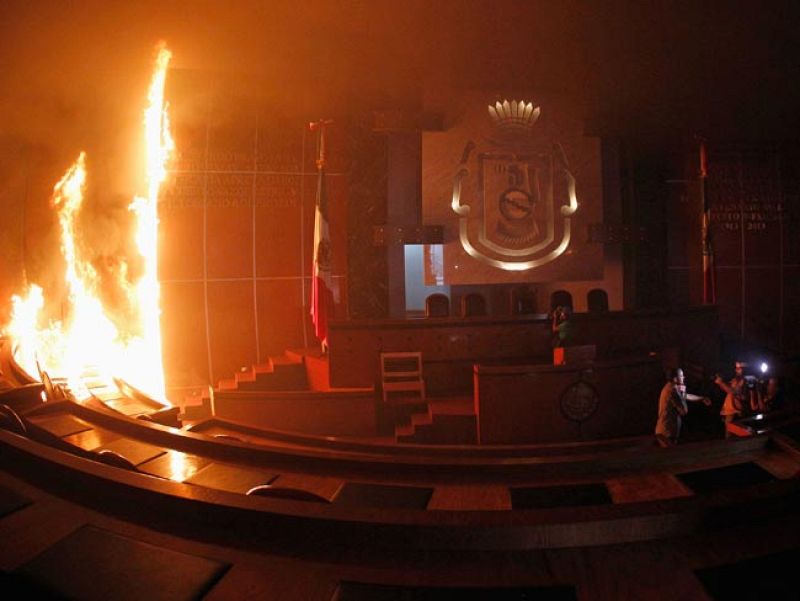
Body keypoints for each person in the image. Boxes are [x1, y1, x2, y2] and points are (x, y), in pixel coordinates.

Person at [656, 367, 711, 445]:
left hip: (666, 430)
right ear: (675, 379)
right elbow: (684, 411)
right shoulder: (672, 391)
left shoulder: (671, 387)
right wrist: (682, 393)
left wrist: (702, 398)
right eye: (681, 376)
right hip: (667, 432)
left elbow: (686, 396)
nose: (684, 377)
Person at [714, 361, 747, 437]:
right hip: (730, 411)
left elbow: (734, 392)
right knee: (728, 434)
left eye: (739, 368)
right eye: (736, 368)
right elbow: (727, 389)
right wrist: (720, 381)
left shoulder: (743, 380)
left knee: (731, 436)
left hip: (735, 411)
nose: (736, 370)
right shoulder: (736, 379)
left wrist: (721, 383)